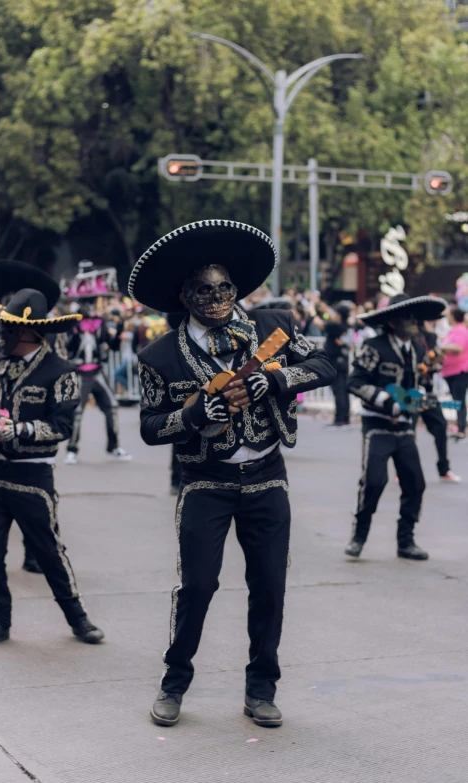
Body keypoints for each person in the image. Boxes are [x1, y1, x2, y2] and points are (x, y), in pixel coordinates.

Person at [129, 219, 335, 728]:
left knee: (269, 586)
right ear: (185, 296)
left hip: (267, 476)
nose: (217, 297)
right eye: (204, 290)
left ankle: (261, 688)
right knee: (197, 587)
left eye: (225, 288)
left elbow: (330, 365)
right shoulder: (157, 356)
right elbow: (151, 427)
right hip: (206, 483)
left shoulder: (274, 327)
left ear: (237, 289)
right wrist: (196, 417)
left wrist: (276, 379)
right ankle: (174, 683)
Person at [0, 288, 105, 648]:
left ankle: (78, 618)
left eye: (8, 329)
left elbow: (63, 427)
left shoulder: (62, 372)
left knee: (49, 551)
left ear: (30, 333)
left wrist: (21, 429)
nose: (0, 334)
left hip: (33, 476)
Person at [0, 260, 64, 574]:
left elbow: (56, 374)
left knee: (39, 495)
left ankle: (37, 552)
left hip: (33, 434)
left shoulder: (46, 338)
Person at [345, 293, 447, 560]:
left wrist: (423, 395)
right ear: (392, 322)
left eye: (415, 318)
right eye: (407, 318)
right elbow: (355, 382)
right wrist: (386, 401)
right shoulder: (374, 346)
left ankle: (406, 541)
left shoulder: (419, 349)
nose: (414, 322)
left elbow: (419, 387)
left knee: (415, 483)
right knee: (374, 481)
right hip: (377, 426)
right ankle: (359, 535)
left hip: (405, 428)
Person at [65, 296, 131, 465]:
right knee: (77, 411)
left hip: (97, 371)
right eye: (87, 303)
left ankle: (114, 446)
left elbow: (113, 346)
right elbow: (67, 347)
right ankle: (72, 450)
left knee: (112, 406)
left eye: (93, 304)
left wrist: (119, 328)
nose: (91, 307)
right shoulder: (73, 323)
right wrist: (76, 331)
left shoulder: (100, 323)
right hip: (80, 373)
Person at [415, 321, 460, 482]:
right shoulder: (410, 340)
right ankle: (403, 470)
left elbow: (435, 364)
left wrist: (433, 363)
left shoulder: (431, 338)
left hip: (428, 393)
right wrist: (427, 365)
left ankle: (444, 468)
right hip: (410, 393)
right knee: (408, 431)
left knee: (440, 426)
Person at [440, 306, 468, 441]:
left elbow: (459, 348)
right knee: (457, 400)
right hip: (451, 372)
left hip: (460, 371)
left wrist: (442, 347)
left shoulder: (461, 331)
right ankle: (459, 426)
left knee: (459, 400)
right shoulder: (453, 331)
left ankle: (461, 428)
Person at [324, 305, 352, 428]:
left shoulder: (337, 327)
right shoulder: (345, 327)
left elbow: (322, 324)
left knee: (339, 390)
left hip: (336, 362)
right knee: (342, 390)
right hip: (341, 361)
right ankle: (344, 417)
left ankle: (340, 418)